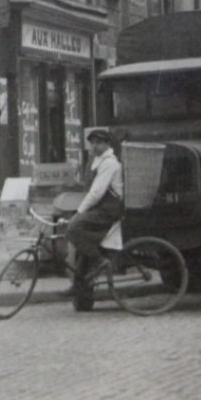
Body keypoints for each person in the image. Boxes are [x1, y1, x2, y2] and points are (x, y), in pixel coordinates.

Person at [67, 128, 123, 312]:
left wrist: (79, 211)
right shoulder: (95, 161)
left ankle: (100, 261)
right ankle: (81, 290)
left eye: (99, 142)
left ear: (107, 143)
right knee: (83, 244)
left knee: (74, 229)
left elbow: (97, 192)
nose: (95, 146)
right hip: (99, 208)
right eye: (92, 142)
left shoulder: (110, 163)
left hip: (108, 209)